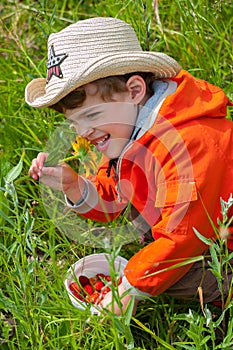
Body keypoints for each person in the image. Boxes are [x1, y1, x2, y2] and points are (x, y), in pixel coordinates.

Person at [26, 17, 233, 315]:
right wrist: (74, 185)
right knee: (141, 221)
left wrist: (128, 288)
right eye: (74, 122)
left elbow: (184, 237)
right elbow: (112, 198)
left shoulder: (191, 143)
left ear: (134, 91)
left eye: (92, 116)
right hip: (192, 218)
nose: (83, 132)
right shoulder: (125, 128)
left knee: (177, 277)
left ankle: (222, 293)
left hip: (220, 239)